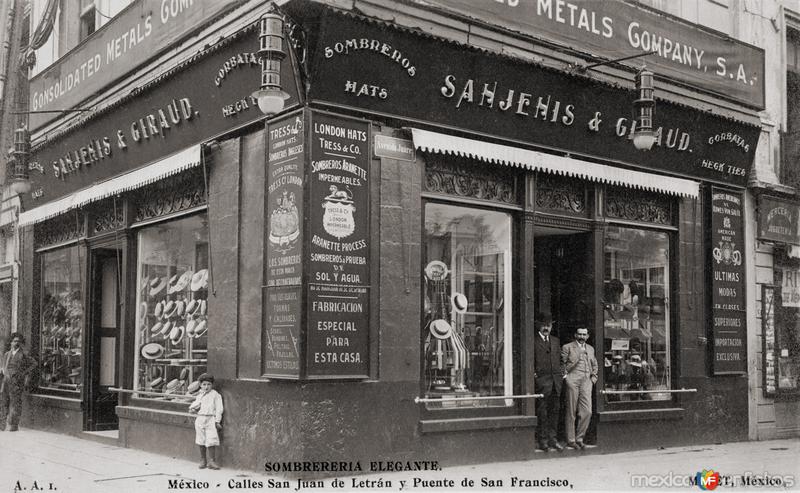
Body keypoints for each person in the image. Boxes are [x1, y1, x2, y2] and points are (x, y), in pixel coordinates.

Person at [561, 327, 598, 450]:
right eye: (580, 334)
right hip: (573, 379)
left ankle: (580, 438)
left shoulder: (591, 348)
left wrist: (593, 378)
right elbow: (562, 364)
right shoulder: (568, 347)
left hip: (587, 381)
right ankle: (571, 440)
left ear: (587, 336)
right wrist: (566, 377)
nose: (582, 337)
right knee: (571, 411)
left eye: (584, 334)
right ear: (575, 335)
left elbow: (595, 364)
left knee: (587, 411)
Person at [533, 314, 563, 452]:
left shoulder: (556, 341)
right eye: (544, 325)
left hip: (556, 383)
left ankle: (553, 439)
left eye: (549, 325)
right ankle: (543, 440)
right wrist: (534, 375)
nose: (546, 328)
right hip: (542, 383)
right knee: (543, 413)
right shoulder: (533, 341)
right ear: (539, 326)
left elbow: (561, 360)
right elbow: (530, 361)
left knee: (554, 412)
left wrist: (562, 373)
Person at [0, 333, 35, 431]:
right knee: (3, 402)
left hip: (16, 382)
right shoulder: (7, 354)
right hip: (6, 381)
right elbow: (3, 367)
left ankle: (13, 425)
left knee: (15, 403)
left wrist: (23, 373)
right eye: (14, 341)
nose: (16, 343)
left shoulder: (24, 354)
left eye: (18, 341)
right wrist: (3, 371)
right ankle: (2, 424)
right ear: (10, 342)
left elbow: (33, 364)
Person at [188, 373, 224, 469]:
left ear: (212, 385)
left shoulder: (215, 395)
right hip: (200, 418)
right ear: (200, 385)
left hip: (210, 419)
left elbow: (219, 408)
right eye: (204, 384)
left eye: (208, 384)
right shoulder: (200, 394)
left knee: (211, 439)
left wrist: (217, 421)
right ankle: (203, 460)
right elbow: (196, 404)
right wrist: (192, 409)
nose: (206, 387)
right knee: (201, 439)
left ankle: (212, 461)